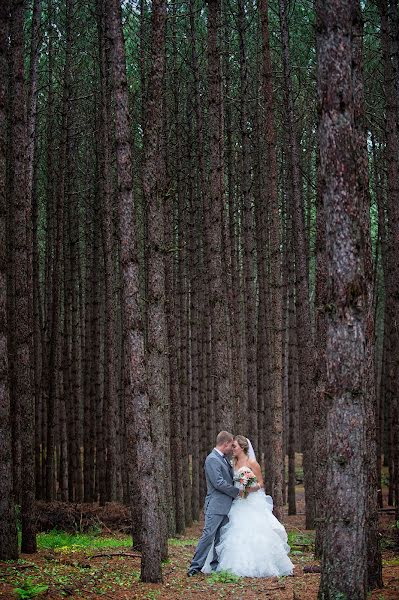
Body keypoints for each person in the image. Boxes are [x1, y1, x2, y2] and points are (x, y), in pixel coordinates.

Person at [202, 435, 294, 578]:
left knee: (254, 532)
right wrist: (239, 489)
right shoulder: (232, 463)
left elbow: (261, 483)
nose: (232, 449)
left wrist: (249, 487)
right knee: (231, 532)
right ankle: (228, 565)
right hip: (237, 501)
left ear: (243, 447)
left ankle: (258, 565)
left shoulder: (252, 463)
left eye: (235, 446)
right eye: (231, 446)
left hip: (251, 501)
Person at [187, 431, 260, 576]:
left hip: (227, 506)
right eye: (231, 445)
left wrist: (246, 485)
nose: (232, 448)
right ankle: (194, 567)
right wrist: (237, 492)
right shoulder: (212, 459)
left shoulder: (224, 459)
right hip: (215, 505)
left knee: (220, 538)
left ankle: (215, 566)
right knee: (208, 536)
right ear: (225, 444)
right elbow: (218, 483)